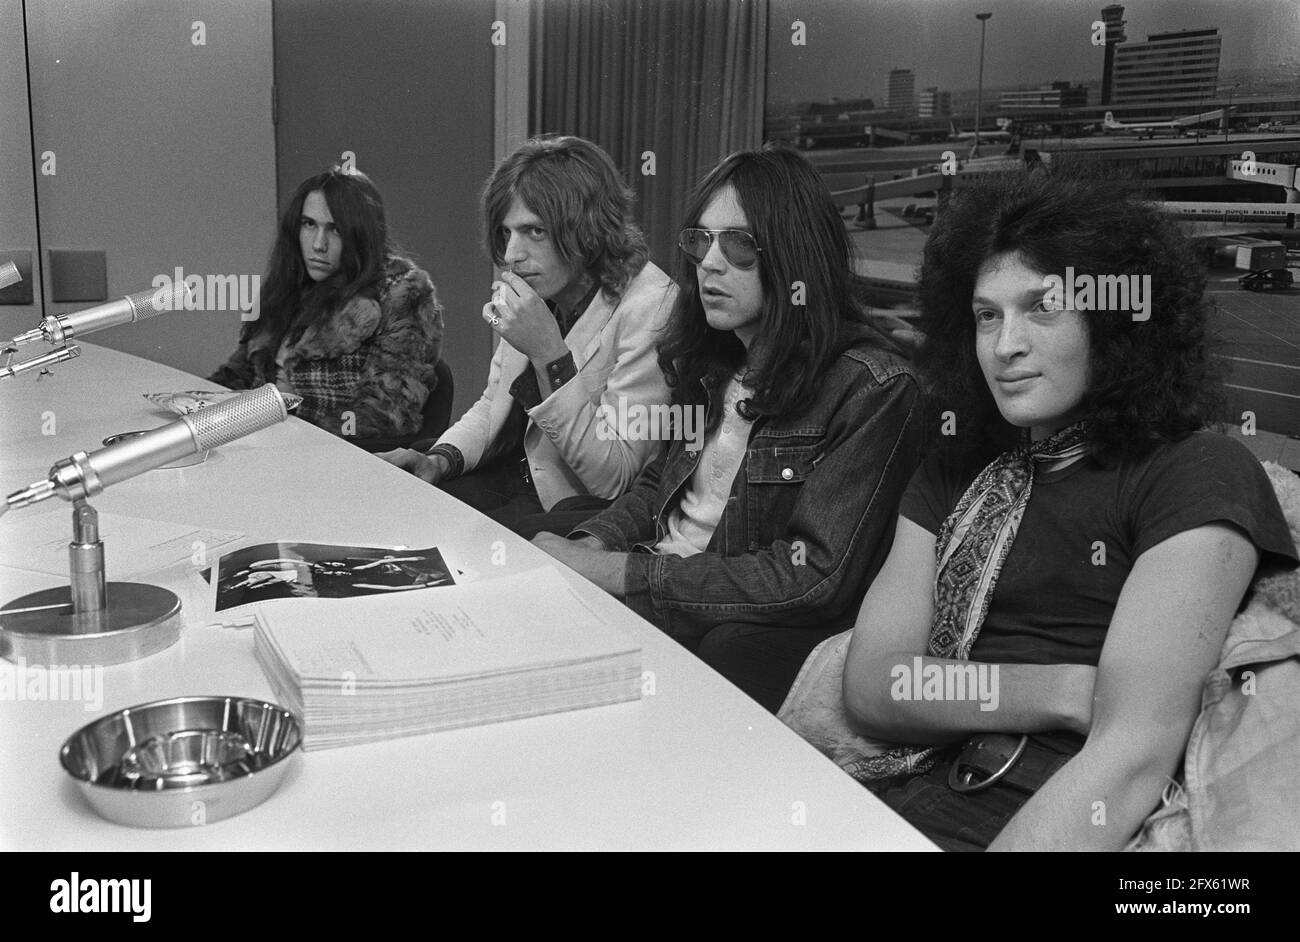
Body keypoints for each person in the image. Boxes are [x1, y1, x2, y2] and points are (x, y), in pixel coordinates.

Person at [839, 164, 1298, 851]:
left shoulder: (1195, 472)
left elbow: (1131, 754)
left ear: (1112, 322)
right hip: (898, 793)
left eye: (1042, 309)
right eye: (987, 315)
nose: (1005, 345)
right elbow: (876, 686)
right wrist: (1063, 689)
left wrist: (965, 697)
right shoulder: (953, 467)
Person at [532, 145, 926, 713]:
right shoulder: (711, 359)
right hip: (663, 569)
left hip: (722, 610)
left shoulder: (873, 389)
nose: (709, 263)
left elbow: (810, 577)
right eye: (700, 240)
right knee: (539, 548)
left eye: (739, 244)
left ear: (794, 256)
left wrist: (618, 570)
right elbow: (656, 486)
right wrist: (594, 544)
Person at [380, 136, 677, 538]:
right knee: (394, 513)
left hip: (570, 509)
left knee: (448, 548)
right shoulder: (544, 285)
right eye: (506, 234)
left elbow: (615, 478)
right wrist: (439, 459)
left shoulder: (651, 306)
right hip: (506, 475)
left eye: (534, 230)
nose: (512, 255)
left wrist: (549, 355)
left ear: (587, 229)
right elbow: (493, 405)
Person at [210, 165, 443, 449]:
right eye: (309, 225)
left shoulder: (401, 291)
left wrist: (292, 425)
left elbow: (389, 411)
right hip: (257, 444)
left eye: (335, 230)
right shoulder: (291, 283)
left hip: (327, 457)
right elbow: (237, 375)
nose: (318, 245)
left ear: (360, 234)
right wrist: (200, 410)